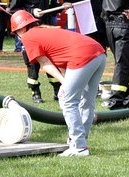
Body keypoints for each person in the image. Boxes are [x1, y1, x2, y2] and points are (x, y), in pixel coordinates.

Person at [9, 10, 107, 157]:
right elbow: (62, 59)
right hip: (99, 52)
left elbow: (45, 63)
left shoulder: (28, 37)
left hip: (82, 57)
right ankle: (79, 142)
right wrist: (65, 83)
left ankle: (79, 146)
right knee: (87, 102)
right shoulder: (44, 30)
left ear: (21, 29)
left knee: (68, 102)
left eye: (16, 32)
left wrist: (64, 84)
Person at [9, 0, 62, 103]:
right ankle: (35, 92)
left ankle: (58, 91)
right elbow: (13, 10)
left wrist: (63, 6)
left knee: (52, 60)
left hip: (47, 30)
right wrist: (32, 12)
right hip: (31, 33)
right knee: (33, 64)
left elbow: (53, 5)